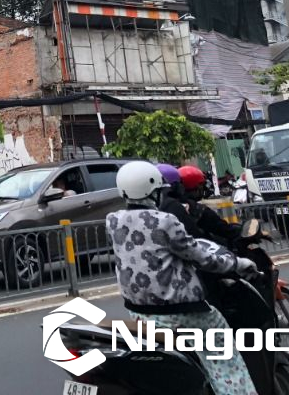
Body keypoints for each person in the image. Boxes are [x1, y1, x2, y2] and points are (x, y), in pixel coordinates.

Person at [107, 161, 259, 395]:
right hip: (182, 311)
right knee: (223, 355)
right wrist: (238, 264)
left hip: (139, 313)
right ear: (153, 190)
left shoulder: (112, 220)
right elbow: (199, 256)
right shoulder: (165, 220)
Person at [178, 165, 243, 247]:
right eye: (201, 185)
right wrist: (242, 230)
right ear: (196, 186)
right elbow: (224, 229)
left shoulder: (172, 205)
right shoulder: (198, 210)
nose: (203, 188)